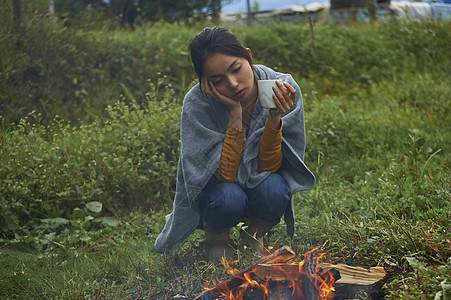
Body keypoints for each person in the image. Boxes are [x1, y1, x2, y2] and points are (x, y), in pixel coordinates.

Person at [154, 26, 315, 261]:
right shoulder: (199, 104)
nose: (233, 84)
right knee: (229, 196)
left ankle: (254, 235)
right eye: (218, 80)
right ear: (204, 83)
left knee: (275, 188)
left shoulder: (280, 88)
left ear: (248, 57)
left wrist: (273, 117)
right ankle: (217, 237)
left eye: (237, 69)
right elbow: (223, 176)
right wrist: (234, 113)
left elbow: (269, 167)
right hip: (220, 192)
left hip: (263, 183)